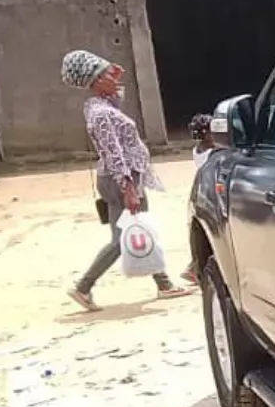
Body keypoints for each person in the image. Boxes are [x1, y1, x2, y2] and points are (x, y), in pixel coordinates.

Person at [61, 49, 192, 311]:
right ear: (96, 81)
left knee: (139, 228)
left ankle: (164, 283)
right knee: (123, 237)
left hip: (122, 178)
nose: (114, 75)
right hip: (120, 178)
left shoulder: (100, 105)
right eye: (107, 73)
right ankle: (83, 287)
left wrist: (114, 77)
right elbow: (114, 153)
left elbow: (117, 101)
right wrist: (128, 187)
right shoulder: (100, 114)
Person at [180, 113, 216, 284]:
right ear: (207, 134)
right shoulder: (213, 153)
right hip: (211, 193)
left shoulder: (197, 150)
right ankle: (194, 268)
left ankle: (192, 267)